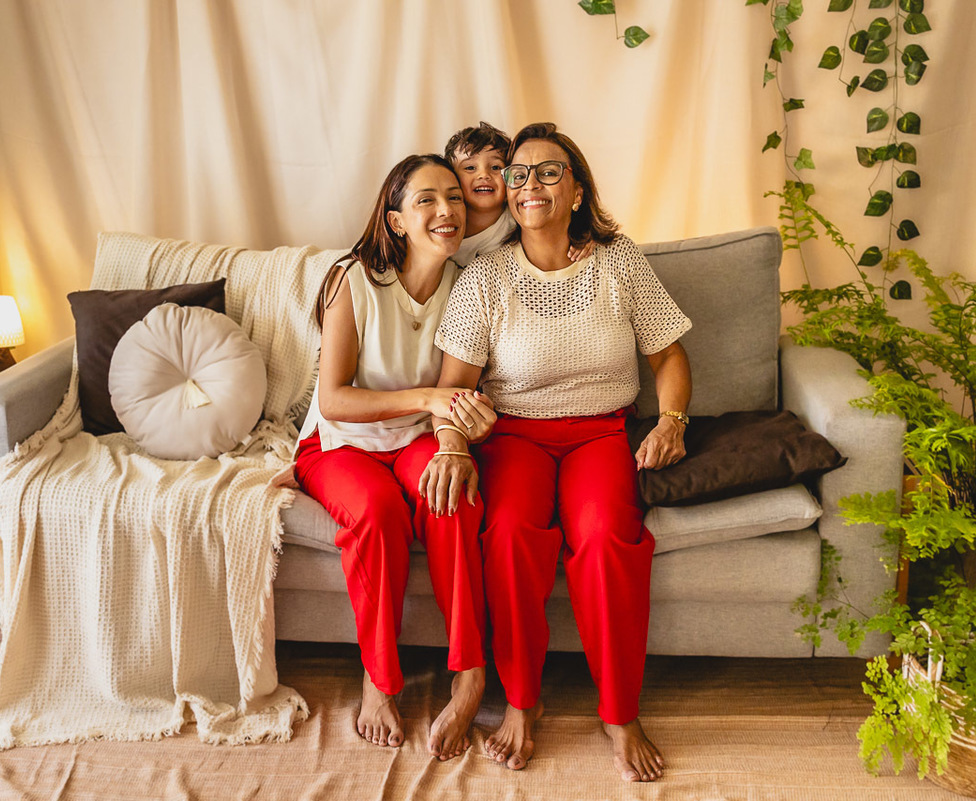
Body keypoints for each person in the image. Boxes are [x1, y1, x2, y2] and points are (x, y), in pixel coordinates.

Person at [425, 123, 693, 783]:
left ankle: (619, 711)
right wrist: (453, 444)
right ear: (509, 196)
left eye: (548, 172)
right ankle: (522, 699)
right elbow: (451, 390)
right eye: (519, 175)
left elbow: (669, 354)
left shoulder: (618, 259)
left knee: (605, 538)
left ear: (576, 189)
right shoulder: (485, 277)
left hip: (600, 431)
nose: (530, 184)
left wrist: (674, 421)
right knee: (511, 532)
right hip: (514, 433)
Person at [294, 154, 496, 760]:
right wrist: (432, 396)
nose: (447, 211)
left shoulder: (471, 283)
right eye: (427, 201)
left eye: (456, 199)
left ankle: (469, 672)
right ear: (396, 220)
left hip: (418, 439)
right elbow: (334, 400)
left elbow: (459, 396)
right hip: (340, 443)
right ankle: (379, 678)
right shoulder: (351, 280)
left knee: (454, 499)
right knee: (378, 512)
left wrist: (460, 422)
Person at [444, 121, 593, 267]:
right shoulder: (445, 221)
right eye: (470, 168)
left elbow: (559, 222)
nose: (484, 175)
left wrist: (585, 236)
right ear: (452, 178)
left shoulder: (520, 218)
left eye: (496, 167)